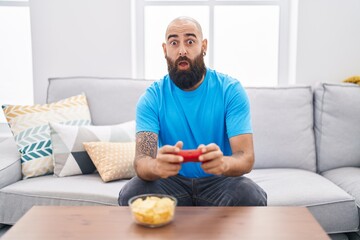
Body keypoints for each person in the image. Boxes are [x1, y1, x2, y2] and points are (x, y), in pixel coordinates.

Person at [118, 16, 267, 206]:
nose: (182, 50)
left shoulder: (230, 90)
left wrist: (223, 163)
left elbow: (245, 157)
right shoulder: (151, 98)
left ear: (203, 46)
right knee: (133, 192)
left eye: (190, 41)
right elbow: (142, 161)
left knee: (250, 194)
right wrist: (157, 166)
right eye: (174, 43)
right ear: (165, 50)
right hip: (171, 183)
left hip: (219, 180)